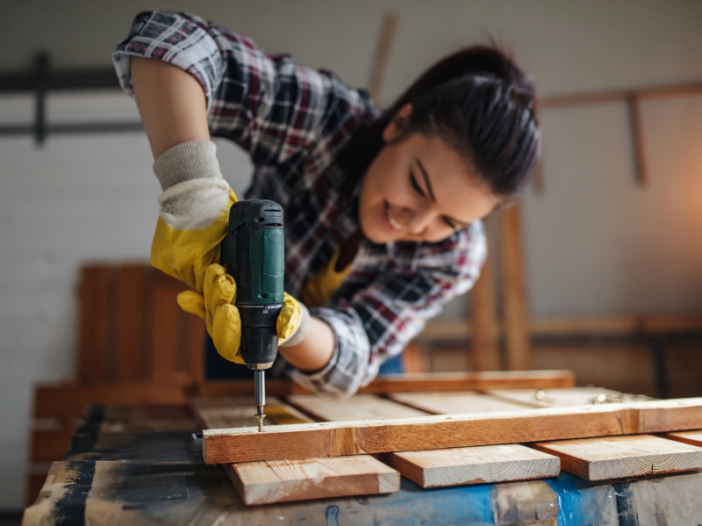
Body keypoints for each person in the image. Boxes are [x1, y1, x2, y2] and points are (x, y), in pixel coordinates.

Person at [112, 11, 540, 397]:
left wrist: (291, 327)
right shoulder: (329, 121)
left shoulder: (458, 253)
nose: (416, 222)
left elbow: (356, 353)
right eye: (417, 185)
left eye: (448, 219)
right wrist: (195, 196)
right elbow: (168, 40)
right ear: (398, 124)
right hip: (233, 330)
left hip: (337, 371)